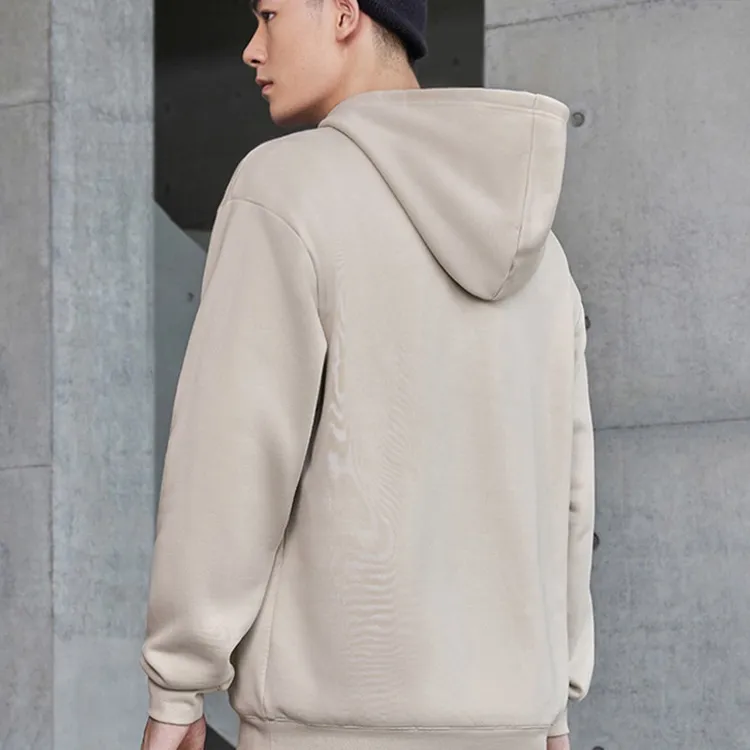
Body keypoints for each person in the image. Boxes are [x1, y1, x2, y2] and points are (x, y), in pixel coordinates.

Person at [140, 1, 596, 749]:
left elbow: (232, 456)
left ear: (344, 14)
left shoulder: (286, 188)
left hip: (326, 729)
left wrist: (178, 682)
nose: (252, 49)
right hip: (513, 724)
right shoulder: (545, 260)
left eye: (269, 15)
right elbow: (567, 496)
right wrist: (554, 704)